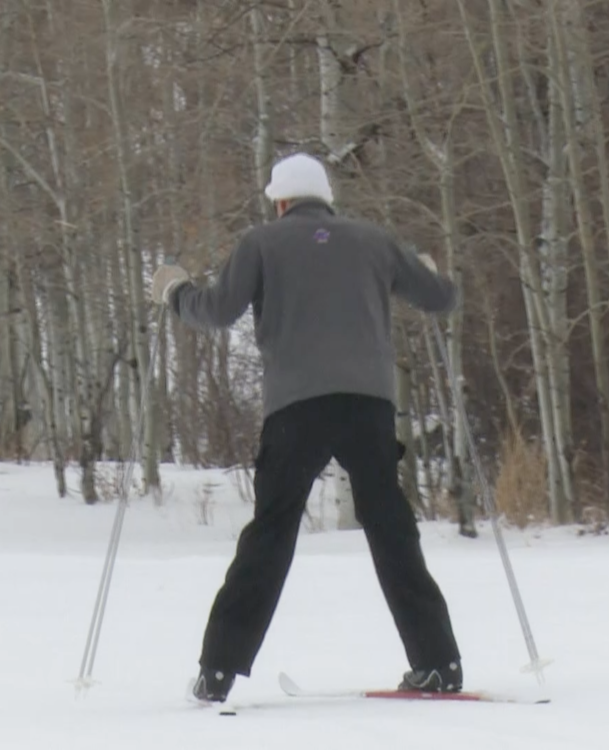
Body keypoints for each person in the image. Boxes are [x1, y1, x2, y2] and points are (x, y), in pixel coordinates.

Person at [150, 153, 462, 704]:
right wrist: (431, 271)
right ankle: (439, 663)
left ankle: (218, 670)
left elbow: (218, 311)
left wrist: (175, 293)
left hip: (296, 408)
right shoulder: (374, 240)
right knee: (390, 526)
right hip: (368, 405)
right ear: (325, 198)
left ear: (281, 201)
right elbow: (439, 298)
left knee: (271, 533)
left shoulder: (262, 242)